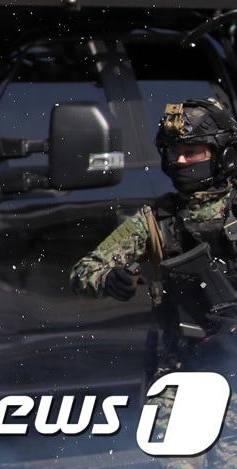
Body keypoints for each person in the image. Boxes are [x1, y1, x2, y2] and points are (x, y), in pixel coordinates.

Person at [70, 99, 237, 465]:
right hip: (181, 369)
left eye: (191, 152)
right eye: (174, 152)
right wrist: (109, 278)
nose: (179, 161)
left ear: (221, 154)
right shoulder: (156, 220)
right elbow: (85, 269)